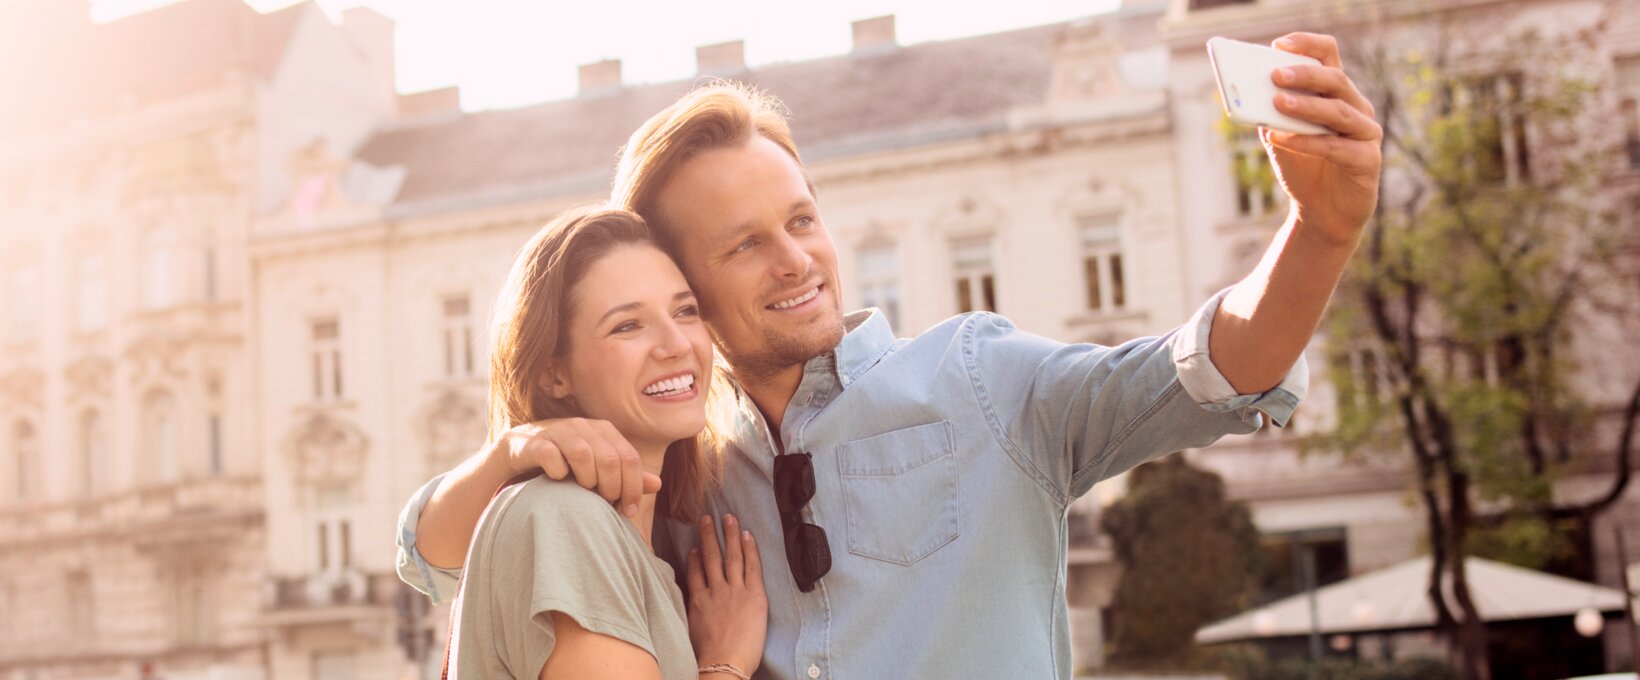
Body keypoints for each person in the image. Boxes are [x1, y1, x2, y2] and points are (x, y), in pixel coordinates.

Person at [397, 32, 1382, 680]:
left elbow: (1210, 367)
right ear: (685, 286)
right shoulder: (676, 474)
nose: (795, 260)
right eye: (741, 245)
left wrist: (1317, 232)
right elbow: (437, 556)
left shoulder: (983, 380)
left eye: (800, 220)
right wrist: (517, 445)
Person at [447, 206, 766, 680]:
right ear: (553, 374)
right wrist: (727, 661)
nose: (676, 343)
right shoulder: (564, 520)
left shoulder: (621, 538)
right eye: (627, 325)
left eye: (685, 311)